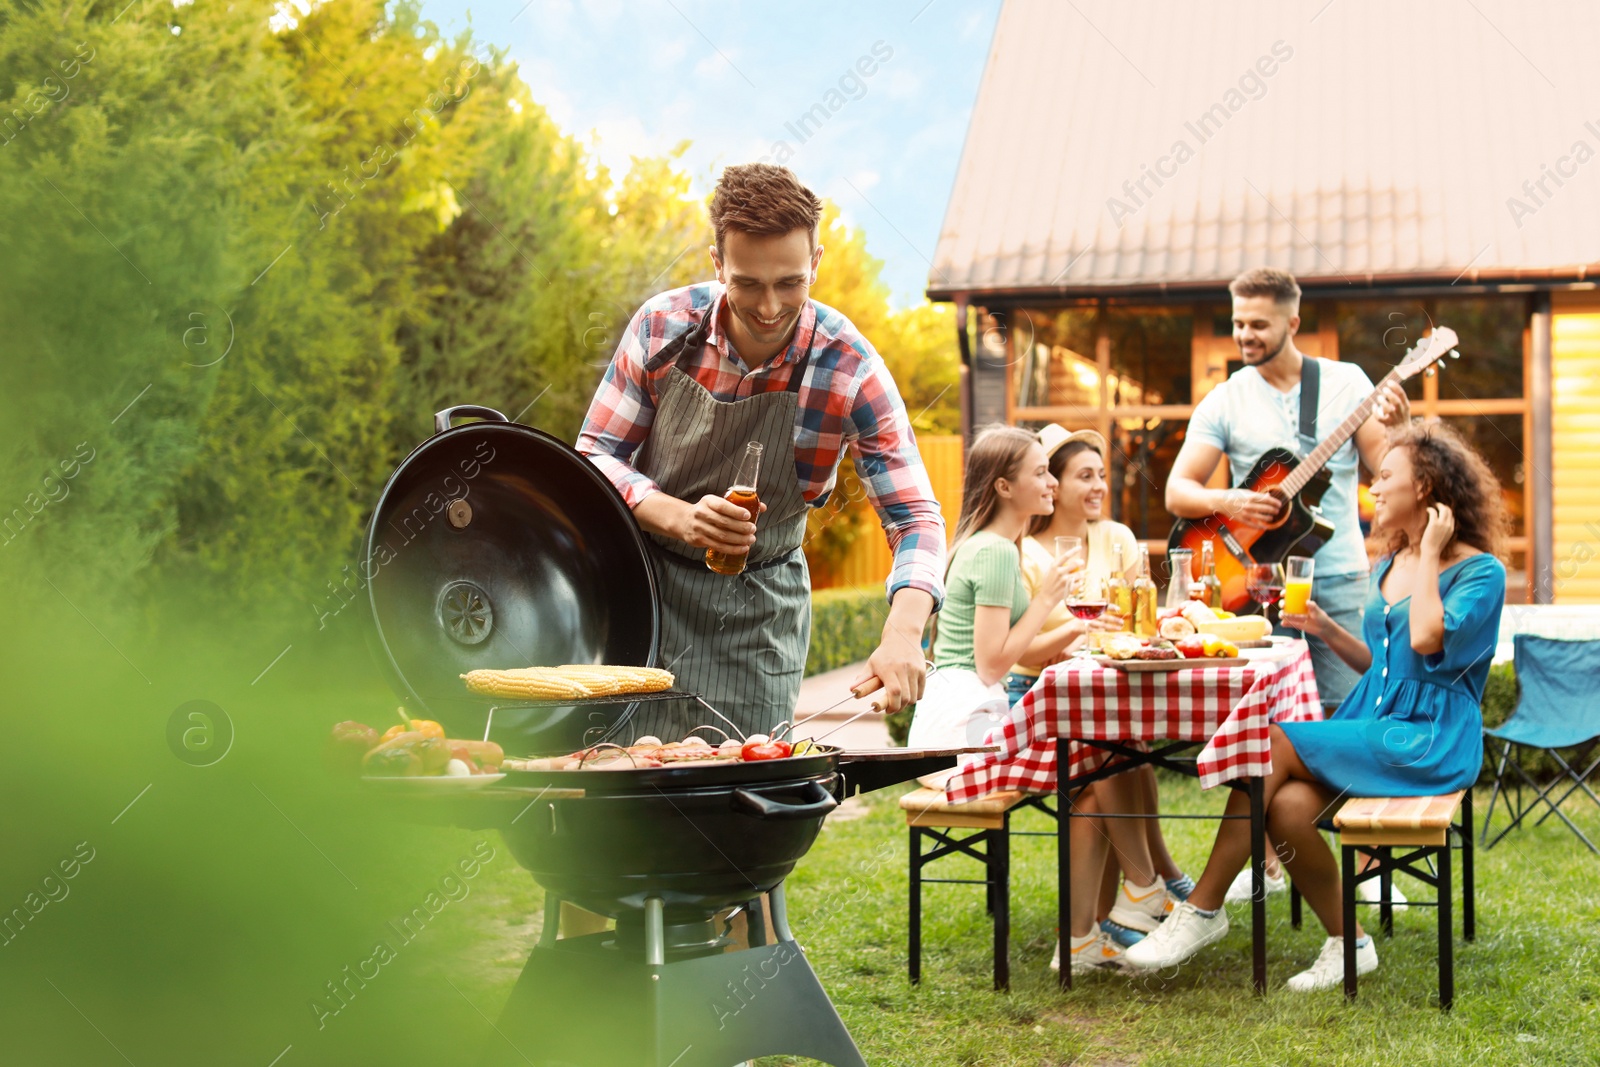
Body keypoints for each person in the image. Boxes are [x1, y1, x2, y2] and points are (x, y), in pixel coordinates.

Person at [1125, 421, 1507, 991]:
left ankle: (1201, 909)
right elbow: (1382, 665)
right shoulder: (1389, 566)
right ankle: (1349, 944)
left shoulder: (1479, 572)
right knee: (1289, 808)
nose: (1373, 489)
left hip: (1429, 738)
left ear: (1425, 487)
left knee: (1275, 737)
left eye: (1385, 477)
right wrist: (1326, 628)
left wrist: (1429, 553)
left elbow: (1428, 640)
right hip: (1375, 725)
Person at [577, 164, 945, 740]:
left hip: (758, 619)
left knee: (735, 801)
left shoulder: (849, 369)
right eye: (747, 282)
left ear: (816, 263)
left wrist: (904, 630)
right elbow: (594, 455)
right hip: (637, 593)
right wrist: (678, 515)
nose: (770, 307)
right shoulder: (660, 329)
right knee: (622, 784)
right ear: (717, 263)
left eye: (790, 283)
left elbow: (915, 517)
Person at [1165, 267, 1410, 903]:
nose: (1243, 334)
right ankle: (1271, 862)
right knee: (1257, 725)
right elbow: (1178, 490)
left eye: (1257, 325)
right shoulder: (1226, 399)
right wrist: (1231, 500)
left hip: (1340, 579)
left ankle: (1370, 868)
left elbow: (1389, 467)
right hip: (1253, 589)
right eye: (1237, 322)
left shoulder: (1349, 384)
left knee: (1357, 714)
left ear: (1293, 324)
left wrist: (1403, 426)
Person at [1013, 425, 1194, 968]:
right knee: (1116, 749)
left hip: (1103, 691)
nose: (1098, 486)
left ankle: (1134, 898)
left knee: (1124, 746)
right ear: (1055, 485)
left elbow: (1141, 620)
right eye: (1083, 476)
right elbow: (1029, 653)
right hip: (1039, 702)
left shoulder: (1114, 536)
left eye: (1101, 476)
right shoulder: (1025, 553)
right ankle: (1151, 884)